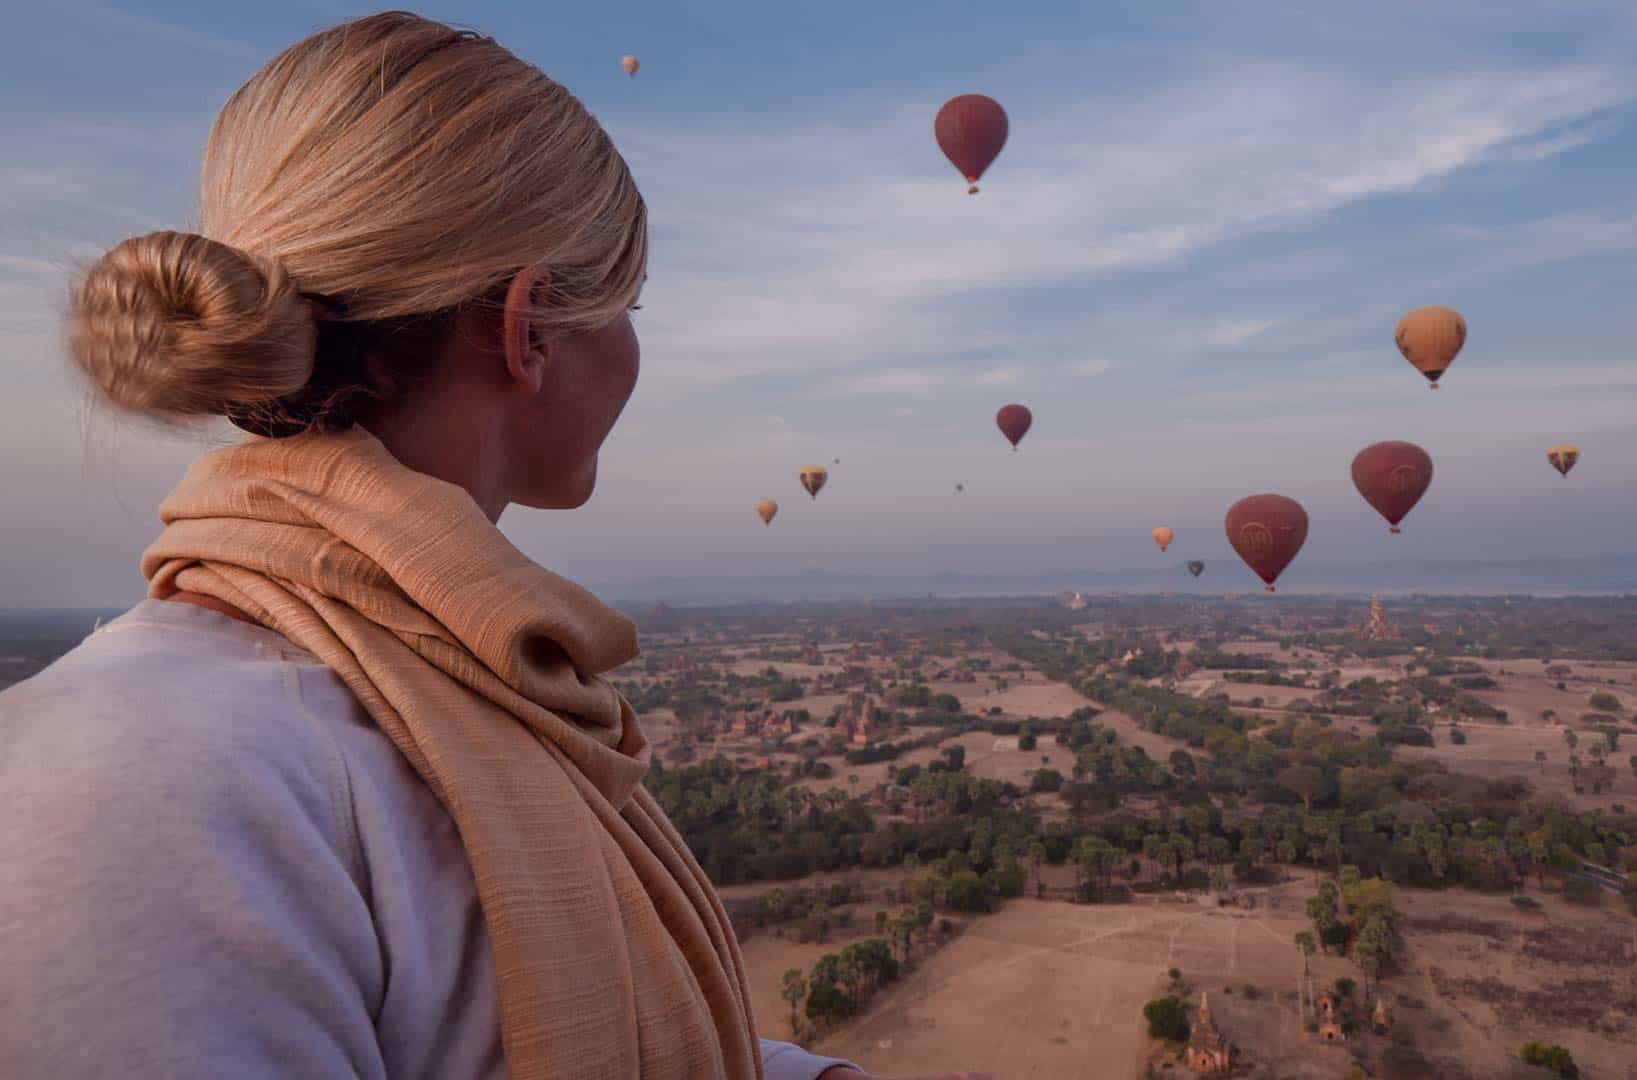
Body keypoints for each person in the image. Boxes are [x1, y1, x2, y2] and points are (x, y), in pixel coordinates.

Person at [0, 12, 987, 1080]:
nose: (636, 347)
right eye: (629, 304)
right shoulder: (156, 776)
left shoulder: (433, 693)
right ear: (530, 332)